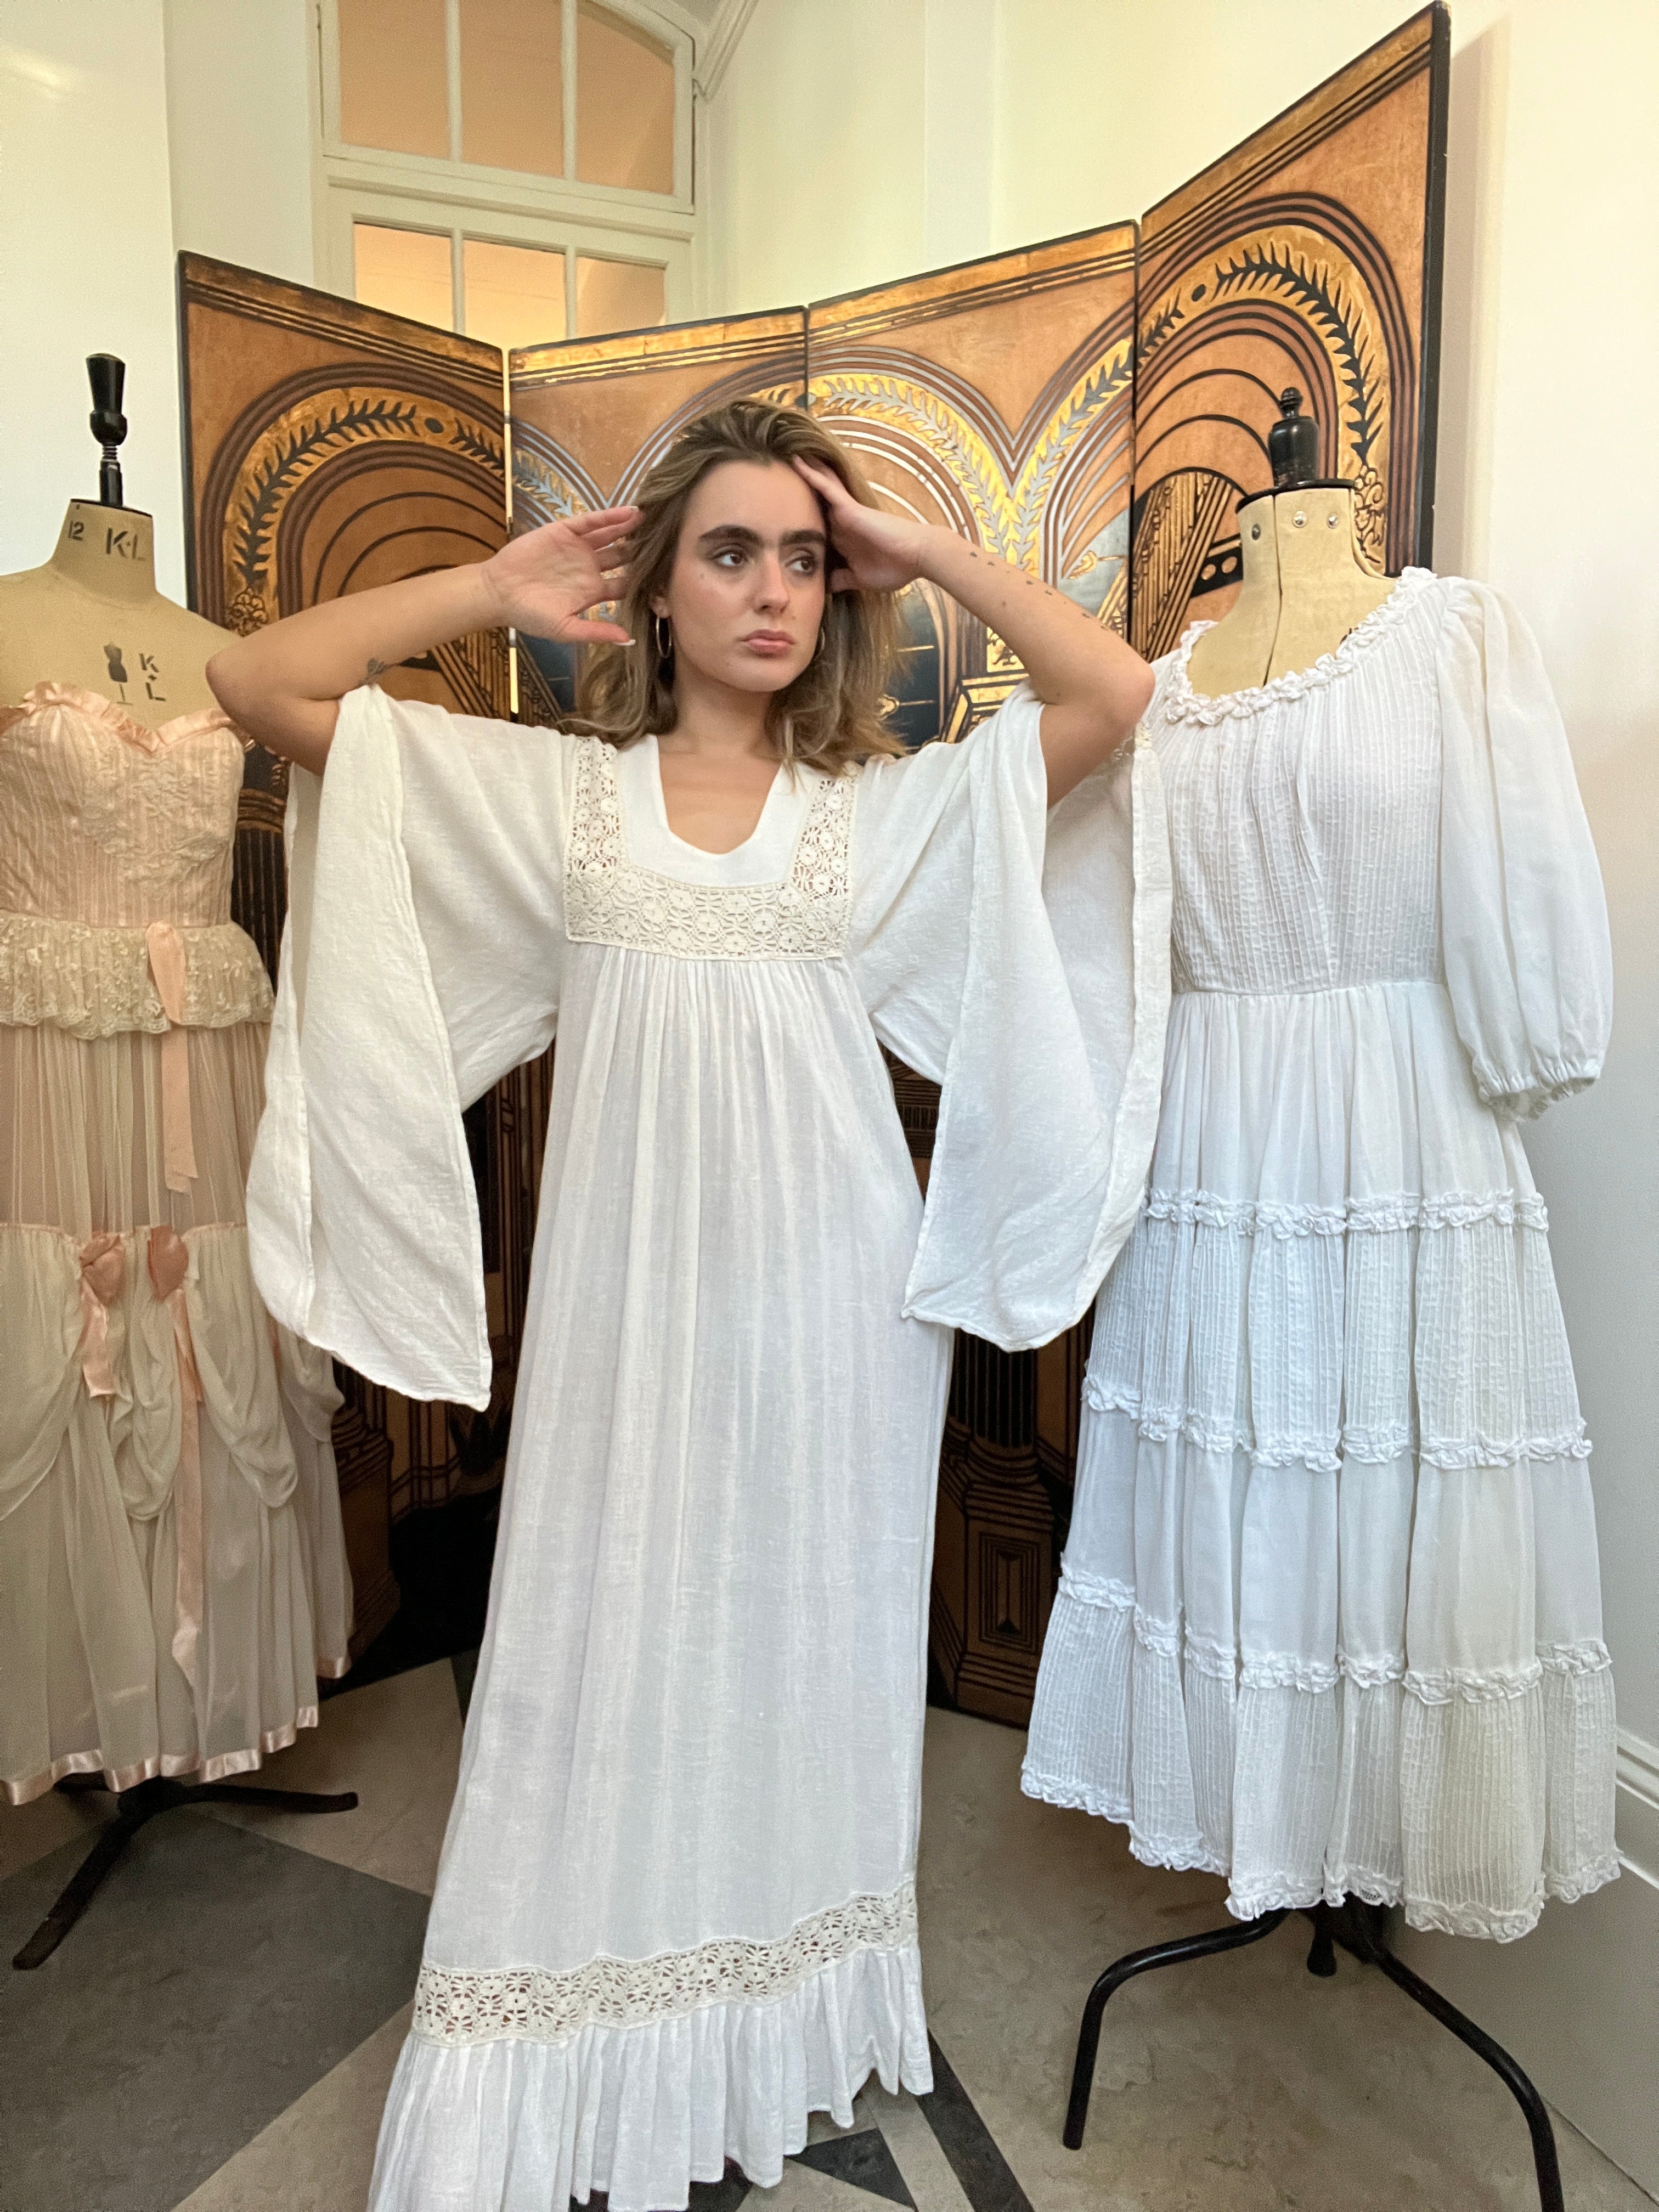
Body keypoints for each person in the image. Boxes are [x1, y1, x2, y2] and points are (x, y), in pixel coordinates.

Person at [208, 399, 1163, 2212]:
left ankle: (777, 2010)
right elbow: (257, 681)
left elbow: (1113, 696)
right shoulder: (556, 802)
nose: (775, 590)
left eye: (805, 558)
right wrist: (488, 590)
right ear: (655, 590)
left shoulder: (876, 822)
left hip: (838, 1324)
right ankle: (573, 2028)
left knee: (804, 1651)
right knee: (594, 1648)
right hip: (624, 1330)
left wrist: (923, 550)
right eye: (731, 552)